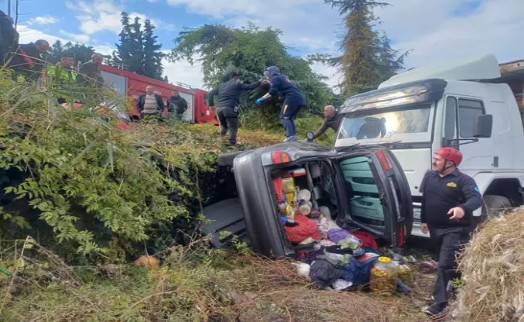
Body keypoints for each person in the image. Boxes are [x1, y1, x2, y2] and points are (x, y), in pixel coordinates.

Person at [420, 147, 482, 317]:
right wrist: (424, 220)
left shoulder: (463, 180)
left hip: (455, 229)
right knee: (449, 263)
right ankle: (458, 287)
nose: (434, 162)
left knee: (445, 264)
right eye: (435, 158)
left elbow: (477, 199)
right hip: (435, 228)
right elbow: (425, 199)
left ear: (450, 163)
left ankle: (438, 304)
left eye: (438, 159)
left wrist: (463, 208)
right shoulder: (430, 176)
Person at [256, 66, 306, 142]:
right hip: (299, 98)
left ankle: (290, 136)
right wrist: (269, 82)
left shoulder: (275, 78)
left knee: (284, 116)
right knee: (289, 117)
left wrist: (262, 98)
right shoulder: (282, 78)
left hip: (292, 98)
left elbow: (272, 91)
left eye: (267, 72)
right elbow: (279, 86)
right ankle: (293, 136)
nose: (267, 75)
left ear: (271, 72)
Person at [207, 74, 260, 146]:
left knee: (224, 126)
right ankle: (232, 144)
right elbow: (250, 86)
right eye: (242, 81)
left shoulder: (222, 85)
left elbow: (210, 93)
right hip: (230, 108)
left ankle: (220, 140)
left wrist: (211, 104)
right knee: (232, 126)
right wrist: (260, 82)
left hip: (219, 109)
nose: (242, 83)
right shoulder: (237, 83)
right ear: (239, 80)